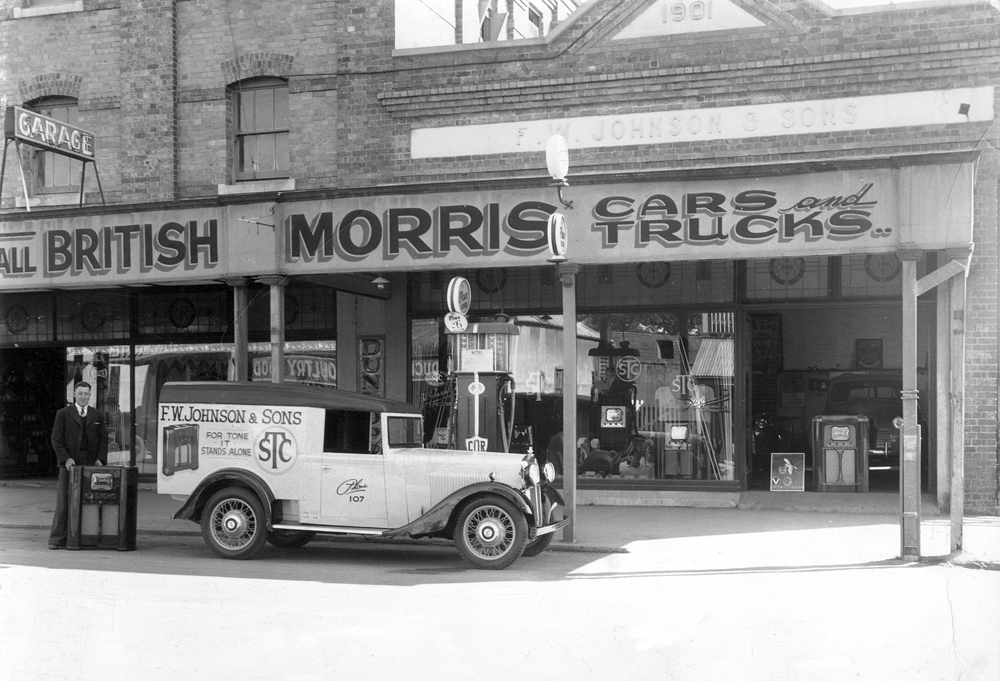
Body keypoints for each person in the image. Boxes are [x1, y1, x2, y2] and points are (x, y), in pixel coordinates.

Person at [48, 382, 108, 549]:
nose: (83, 397)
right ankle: (57, 539)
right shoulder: (63, 414)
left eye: (86, 394)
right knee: (64, 500)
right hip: (69, 463)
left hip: (90, 464)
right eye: (80, 393)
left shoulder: (98, 415)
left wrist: (100, 460)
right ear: (74, 394)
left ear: (90, 395)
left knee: (90, 501)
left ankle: (85, 538)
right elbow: (56, 439)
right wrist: (66, 459)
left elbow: (104, 440)